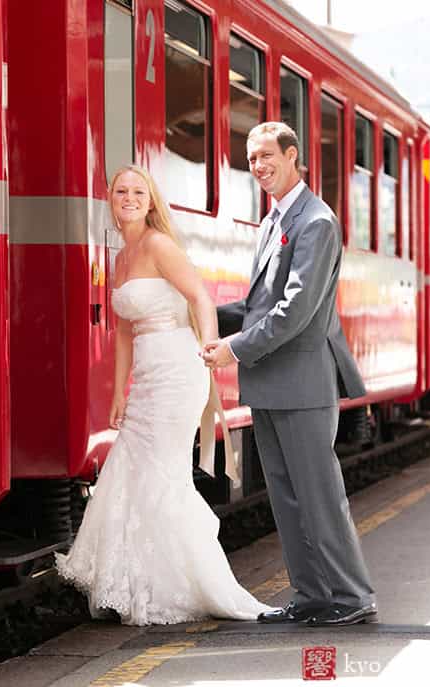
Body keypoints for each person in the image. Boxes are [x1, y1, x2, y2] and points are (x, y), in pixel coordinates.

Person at [55, 165, 272, 626]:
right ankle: (141, 583)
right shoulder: (120, 256)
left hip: (178, 369)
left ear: (150, 201)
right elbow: (124, 332)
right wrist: (118, 391)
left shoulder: (156, 245)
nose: (129, 198)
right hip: (149, 376)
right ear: (110, 200)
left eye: (138, 192)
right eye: (121, 192)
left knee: (163, 474)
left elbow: (200, 298)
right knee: (132, 470)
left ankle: (185, 585)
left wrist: (210, 348)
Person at [202, 122, 377, 626]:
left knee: (318, 497)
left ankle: (351, 596)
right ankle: (312, 597)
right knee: (287, 498)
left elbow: (295, 310)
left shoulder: (315, 221)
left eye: (266, 156)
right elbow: (260, 305)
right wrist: (201, 314)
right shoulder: (272, 221)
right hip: (273, 384)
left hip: (302, 384)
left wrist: (233, 348)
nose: (258, 166)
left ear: (293, 155)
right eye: (251, 158)